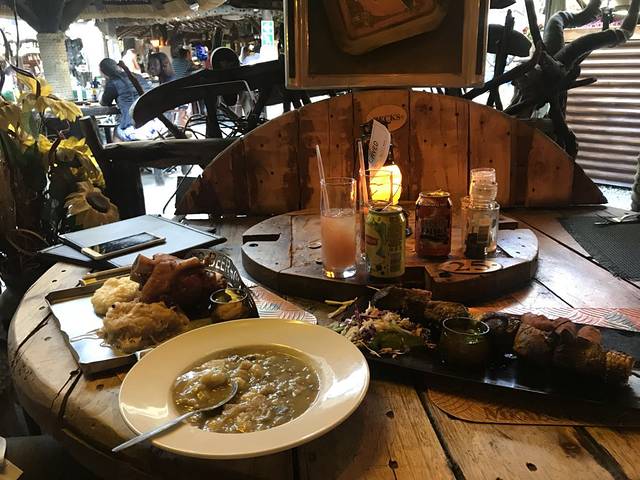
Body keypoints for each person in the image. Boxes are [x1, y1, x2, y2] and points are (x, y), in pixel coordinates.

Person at [99, 58, 159, 142]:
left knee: (116, 132)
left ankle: (117, 150)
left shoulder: (112, 82)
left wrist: (104, 85)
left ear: (104, 73)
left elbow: (104, 102)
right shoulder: (137, 76)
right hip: (155, 124)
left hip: (134, 128)